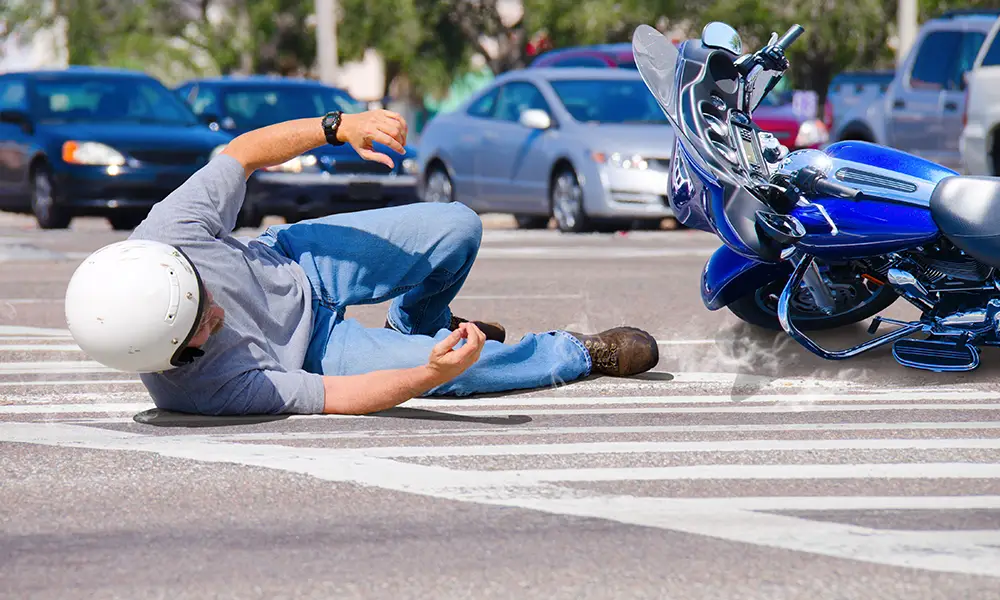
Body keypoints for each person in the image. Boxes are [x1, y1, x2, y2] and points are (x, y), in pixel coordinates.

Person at [64, 109, 659, 416]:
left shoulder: (166, 232)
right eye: (198, 336)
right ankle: (580, 352)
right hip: (314, 352)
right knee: (461, 373)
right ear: (170, 359)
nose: (215, 316)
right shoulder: (202, 392)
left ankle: (419, 322)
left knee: (457, 225)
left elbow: (241, 154)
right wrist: (428, 376)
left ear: (174, 269)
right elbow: (340, 397)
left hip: (297, 263)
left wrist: (338, 126)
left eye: (200, 299)